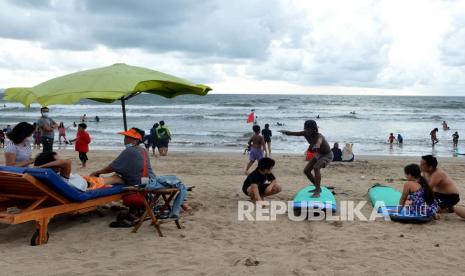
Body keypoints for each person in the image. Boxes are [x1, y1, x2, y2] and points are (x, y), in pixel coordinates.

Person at [280, 120, 333, 197]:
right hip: (319, 154)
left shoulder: (319, 136)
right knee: (306, 171)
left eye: (308, 129)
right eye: (305, 128)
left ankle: (317, 191)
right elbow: (294, 133)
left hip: (327, 155)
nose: (306, 131)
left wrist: (316, 146)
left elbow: (319, 142)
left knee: (316, 167)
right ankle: (317, 187)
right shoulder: (305, 133)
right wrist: (285, 132)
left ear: (313, 129)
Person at [90, 128, 155, 186]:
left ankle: (92, 183)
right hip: (150, 180)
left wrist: (98, 172)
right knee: (118, 174)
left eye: (128, 137)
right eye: (125, 137)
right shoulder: (143, 150)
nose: (125, 139)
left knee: (116, 177)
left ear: (136, 140)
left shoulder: (130, 151)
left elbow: (111, 168)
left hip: (140, 184)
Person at [34, 152, 120, 191]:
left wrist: (40, 166)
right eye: (57, 161)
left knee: (94, 174)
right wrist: (42, 166)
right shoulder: (60, 178)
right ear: (53, 165)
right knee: (116, 178)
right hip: (89, 184)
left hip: (82, 180)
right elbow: (67, 162)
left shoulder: (43, 176)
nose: (60, 161)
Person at [420, 155, 465, 219]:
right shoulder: (425, 172)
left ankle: (452, 208)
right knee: (424, 203)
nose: (420, 166)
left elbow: (428, 189)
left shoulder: (437, 174)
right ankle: (448, 208)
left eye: (422, 165)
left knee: (430, 208)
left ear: (430, 167)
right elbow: (423, 185)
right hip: (437, 194)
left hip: (450, 196)